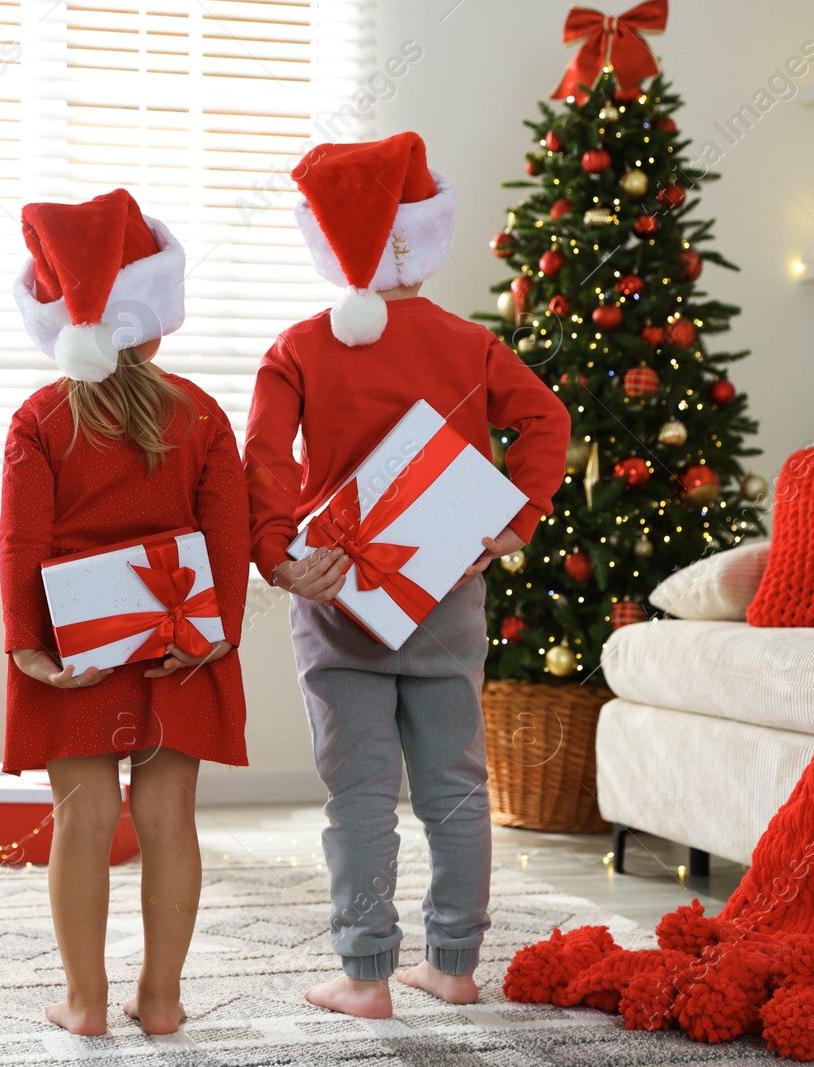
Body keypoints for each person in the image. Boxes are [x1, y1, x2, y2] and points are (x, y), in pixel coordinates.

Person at [243, 131, 571, 1018]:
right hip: (446, 593)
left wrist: (277, 554)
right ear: (427, 240)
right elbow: (548, 421)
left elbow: (266, 460)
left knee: (358, 791)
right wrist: (515, 519)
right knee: (456, 783)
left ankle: (365, 976)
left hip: (334, 594)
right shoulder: (470, 345)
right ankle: (455, 964)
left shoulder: (301, 347)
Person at [0, 189, 248, 1037]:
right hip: (180, 634)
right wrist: (216, 634)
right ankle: (165, 998)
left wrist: (27, 646)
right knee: (168, 817)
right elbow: (228, 533)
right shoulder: (203, 414)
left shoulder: (39, 418)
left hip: (81, 646)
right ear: (158, 313)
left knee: (86, 818)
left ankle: (85, 1001)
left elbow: (21, 543)